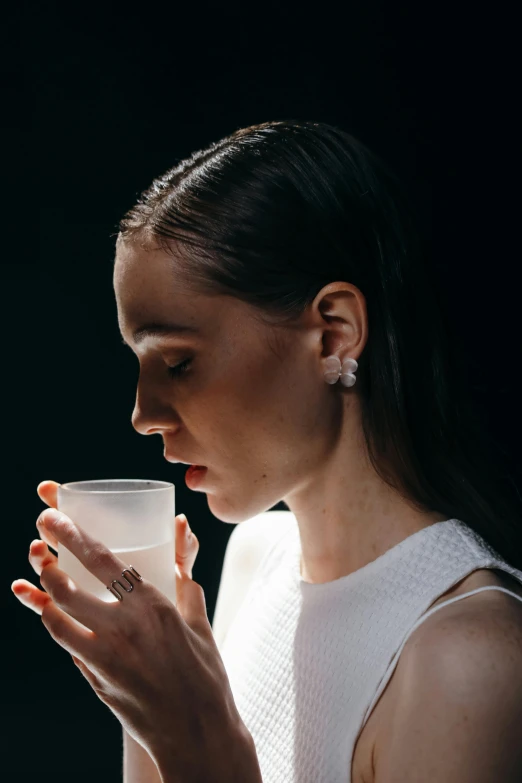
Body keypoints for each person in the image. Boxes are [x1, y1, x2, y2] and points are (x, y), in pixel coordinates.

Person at [29, 121, 522, 781]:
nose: (141, 415)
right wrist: (146, 701)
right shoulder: (257, 558)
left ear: (333, 335)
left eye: (177, 363)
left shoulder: (468, 656)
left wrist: (200, 740)